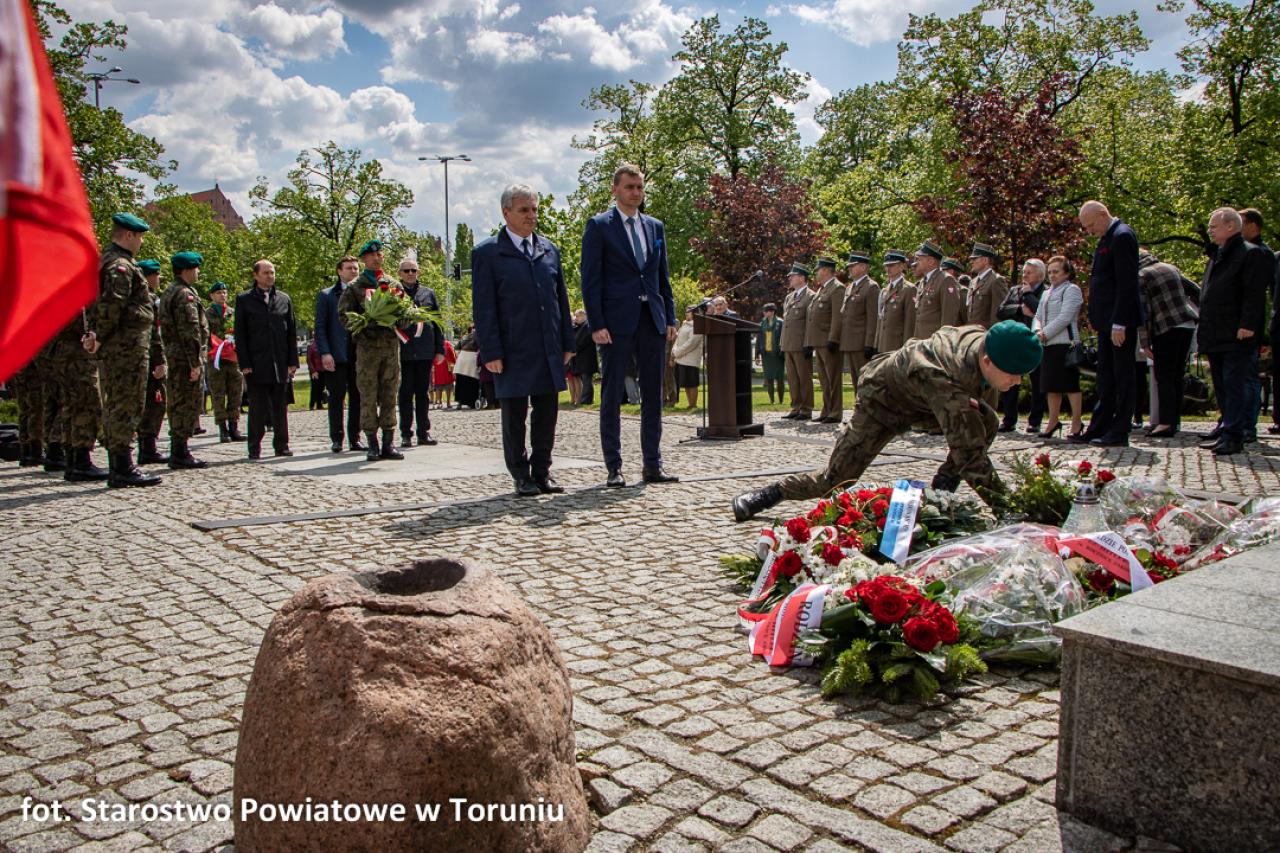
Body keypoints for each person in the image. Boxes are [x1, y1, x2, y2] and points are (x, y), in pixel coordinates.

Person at [732, 321, 1043, 521]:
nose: (1017, 381)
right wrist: (1011, 511)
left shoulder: (980, 342)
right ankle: (767, 495)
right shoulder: (945, 383)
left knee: (985, 421)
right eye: (1013, 373)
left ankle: (942, 490)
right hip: (879, 404)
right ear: (987, 361)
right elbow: (971, 457)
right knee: (836, 481)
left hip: (919, 402)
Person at [472, 184, 576, 496]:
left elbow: (562, 299)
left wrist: (567, 342)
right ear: (506, 213)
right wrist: (491, 350)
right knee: (515, 415)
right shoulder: (488, 253)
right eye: (524, 210)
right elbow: (484, 306)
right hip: (512, 347)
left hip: (547, 346)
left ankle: (542, 471)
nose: (531, 216)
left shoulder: (548, 249)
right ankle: (520, 474)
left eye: (534, 209)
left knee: (547, 413)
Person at [580, 163, 679, 487]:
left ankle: (653, 464)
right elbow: (591, 279)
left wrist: (670, 317)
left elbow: (661, 277)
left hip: (651, 319)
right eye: (629, 187)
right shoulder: (599, 226)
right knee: (611, 395)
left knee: (653, 394)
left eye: (639, 187)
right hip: (615, 323)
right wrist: (596, 323)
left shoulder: (654, 227)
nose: (636, 192)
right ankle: (614, 466)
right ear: (615, 189)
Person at [83, 212, 160, 487]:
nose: (140, 242)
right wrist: (100, 337)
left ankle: (120, 464)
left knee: (117, 402)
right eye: (139, 237)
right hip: (125, 347)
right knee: (126, 404)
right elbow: (112, 306)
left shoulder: (106, 261)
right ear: (128, 235)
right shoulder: (121, 266)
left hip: (120, 345)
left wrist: (96, 335)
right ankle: (123, 467)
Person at [1196, 208, 1270, 456]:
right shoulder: (1217, 254)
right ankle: (1226, 428)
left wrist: (1247, 324)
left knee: (1234, 383)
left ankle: (1234, 435)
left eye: (1214, 226)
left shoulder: (1251, 254)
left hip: (1236, 333)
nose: (1210, 230)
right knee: (1222, 385)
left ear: (1230, 226)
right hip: (1215, 332)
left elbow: (1254, 293)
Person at [1072, 201, 1142, 447]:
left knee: (1122, 376)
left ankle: (1120, 429)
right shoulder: (1107, 238)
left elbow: (1126, 283)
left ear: (1103, 214)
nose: (1089, 231)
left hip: (1118, 321)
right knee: (1106, 377)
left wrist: (1120, 322)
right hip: (1106, 321)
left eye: (1091, 225)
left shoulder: (1122, 236)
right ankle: (1099, 425)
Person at [339, 240, 404, 461]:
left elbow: (403, 312)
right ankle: (372, 443)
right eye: (372, 255)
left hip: (389, 347)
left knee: (389, 393)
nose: (377, 257)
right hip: (367, 349)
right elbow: (344, 316)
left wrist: (401, 319)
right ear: (364, 259)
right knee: (368, 395)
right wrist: (363, 324)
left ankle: (388, 442)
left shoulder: (394, 284)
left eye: (379, 254)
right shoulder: (355, 286)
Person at [236, 259, 299, 459]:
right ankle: (254, 446)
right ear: (256, 275)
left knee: (280, 406)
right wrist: (244, 363)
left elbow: (291, 331)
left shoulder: (283, 299)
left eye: (272, 272)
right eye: (266, 273)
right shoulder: (245, 299)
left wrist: (292, 361)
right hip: (257, 362)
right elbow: (241, 334)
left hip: (280, 361)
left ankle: (282, 444)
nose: (270, 276)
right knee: (257, 407)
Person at [1138, 249, 1199, 438]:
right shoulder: (1170, 267)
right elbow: (1196, 290)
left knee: (1164, 375)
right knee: (1177, 375)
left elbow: (1144, 313)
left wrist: (1145, 344)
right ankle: (1174, 420)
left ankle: (1165, 423)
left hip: (1166, 326)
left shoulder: (1141, 276)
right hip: (1187, 323)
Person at [158, 251, 210, 469]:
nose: (198, 272)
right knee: (186, 402)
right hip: (184, 358)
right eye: (196, 268)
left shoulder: (170, 290)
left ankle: (179, 449)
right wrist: (195, 362)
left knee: (178, 401)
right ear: (187, 269)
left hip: (175, 356)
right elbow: (190, 331)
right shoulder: (184, 294)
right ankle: (180, 451)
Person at [315, 256, 364, 453]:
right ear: (339, 271)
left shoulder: (363, 294)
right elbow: (320, 327)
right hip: (336, 354)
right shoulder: (327, 296)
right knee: (336, 398)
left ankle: (355, 438)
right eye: (349, 268)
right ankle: (337, 438)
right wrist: (325, 352)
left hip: (358, 354)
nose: (353, 271)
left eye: (356, 268)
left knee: (358, 397)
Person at [1032, 256, 1085, 439]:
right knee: (1050, 386)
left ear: (1067, 273)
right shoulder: (1047, 293)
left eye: (1056, 271)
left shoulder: (1072, 290)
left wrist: (1044, 333)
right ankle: (1053, 421)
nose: (1052, 275)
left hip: (1065, 343)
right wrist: (1037, 330)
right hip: (1048, 344)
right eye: (1050, 272)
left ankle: (1076, 423)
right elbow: (1037, 315)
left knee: (1070, 385)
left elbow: (1065, 317)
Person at [396, 256, 445, 448]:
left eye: (413, 270)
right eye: (406, 271)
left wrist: (439, 349)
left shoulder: (428, 294)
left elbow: (437, 322)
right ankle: (405, 433)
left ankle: (423, 432)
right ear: (400, 274)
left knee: (423, 393)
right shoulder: (394, 293)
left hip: (424, 350)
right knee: (406, 392)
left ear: (419, 272)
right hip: (404, 349)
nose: (410, 274)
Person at [996, 259, 1047, 433]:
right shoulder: (1014, 290)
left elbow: (1040, 311)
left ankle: (1035, 420)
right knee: (1011, 382)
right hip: (1015, 341)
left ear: (1040, 275)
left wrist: (1028, 295)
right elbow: (1001, 311)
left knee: (1037, 382)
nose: (1024, 275)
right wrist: (1019, 309)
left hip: (1035, 341)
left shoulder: (1046, 292)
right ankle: (1009, 419)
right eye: (1024, 272)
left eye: (1029, 273)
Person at [1240, 209, 1273, 439]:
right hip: (1241, 322)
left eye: (1240, 223)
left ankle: (1248, 425)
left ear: (1252, 225)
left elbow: (1256, 294)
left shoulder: (1260, 253)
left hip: (1251, 324)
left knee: (1249, 376)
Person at [135, 259, 169, 464]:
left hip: (143, 356)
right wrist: (160, 360)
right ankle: (147, 448)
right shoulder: (146, 299)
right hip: (147, 357)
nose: (158, 278)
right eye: (156, 275)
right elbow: (154, 334)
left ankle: (148, 447)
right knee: (153, 403)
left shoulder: (145, 298)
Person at [833, 250, 879, 394]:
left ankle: (867, 412)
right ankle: (859, 409)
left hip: (861, 342)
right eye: (849, 266)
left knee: (864, 381)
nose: (850, 269)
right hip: (849, 341)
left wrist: (869, 343)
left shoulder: (871, 287)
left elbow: (873, 318)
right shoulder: (850, 287)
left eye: (854, 265)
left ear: (864, 267)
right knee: (855, 381)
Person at [205, 281, 246, 442]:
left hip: (233, 358)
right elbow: (204, 334)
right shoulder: (207, 314)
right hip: (216, 360)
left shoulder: (232, 313)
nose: (222, 295)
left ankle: (234, 426)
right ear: (212, 296)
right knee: (218, 393)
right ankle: (222, 427)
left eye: (224, 293)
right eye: (218, 293)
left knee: (236, 392)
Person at [807, 257, 844, 423]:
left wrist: (833, 338)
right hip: (818, 341)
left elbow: (837, 316)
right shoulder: (822, 289)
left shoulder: (837, 289)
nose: (816, 273)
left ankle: (835, 412)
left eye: (818, 270)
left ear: (826, 270)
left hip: (828, 341)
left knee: (833, 379)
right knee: (823, 379)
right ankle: (826, 409)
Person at [911, 240, 966, 341]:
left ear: (931, 261)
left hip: (935, 343)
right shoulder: (923, 281)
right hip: (921, 341)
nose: (917, 262)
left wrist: (942, 342)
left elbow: (948, 317)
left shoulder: (945, 280)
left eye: (920, 259)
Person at [780, 264, 814, 420]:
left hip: (801, 344)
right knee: (792, 378)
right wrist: (782, 343)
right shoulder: (789, 297)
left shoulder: (810, 296)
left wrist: (809, 343)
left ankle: (806, 409)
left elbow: (810, 322)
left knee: (804, 377)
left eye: (792, 276)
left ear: (802, 277)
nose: (790, 279)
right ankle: (796, 406)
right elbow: (786, 323)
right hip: (789, 344)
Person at [875, 250, 916, 354]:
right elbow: (881, 318)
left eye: (892, 265)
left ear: (902, 266)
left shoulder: (908, 289)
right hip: (883, 344)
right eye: (886, 265)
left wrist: (907, 347)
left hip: (898, 345)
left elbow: (909, 321)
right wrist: (876, 343)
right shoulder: (885, 290)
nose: (888, 268)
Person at [966, 242, 1010, 330]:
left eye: (975, 259)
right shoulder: (973, 282)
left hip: (985, 334)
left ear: (985, 260)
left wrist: (994, 336)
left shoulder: (996, 280)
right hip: (972, 334)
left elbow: (998, 314)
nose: (972, 262)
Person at [671, 306, 702, 409]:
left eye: (688, 311)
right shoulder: (684, 324)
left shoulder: (697, 326)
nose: (686, 313)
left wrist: (677, 352)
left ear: (695, 313)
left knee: (692, 383)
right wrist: (674, 350)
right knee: (686, 384)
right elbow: (678, 339)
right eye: (686, 311)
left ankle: (693, 404)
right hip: (681, 358)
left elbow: (691, 343)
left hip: (691, 360)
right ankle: (690, 404)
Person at [756, 302, 785, 405]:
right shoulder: (762, 323)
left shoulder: (780, 323)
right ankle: (771, 400)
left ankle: (781, 400)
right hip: (766, 355)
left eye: (767, 311)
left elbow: (784, 337)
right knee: (768, 378)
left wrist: (783, 350)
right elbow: (759, 339)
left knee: (780, 378)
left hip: (777, 354)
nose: (765, 313)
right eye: (764, 311)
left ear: (773, 312)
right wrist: (757, 354)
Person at [569, 309, 599, 406]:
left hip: (587, 357)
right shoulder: (579, 327)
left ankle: (587, 399)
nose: (575, 318)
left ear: (583, 316)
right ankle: (582, 398)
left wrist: (575, 349)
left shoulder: (587, 326)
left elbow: (583, 340)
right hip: (580, 358)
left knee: (586, 379)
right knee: (583, 378)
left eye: (577, 316)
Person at [433, 338, 456, 409]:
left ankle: (440, 402)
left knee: (438, 385)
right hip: (446, 366)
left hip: (438, 366)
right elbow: (452, 355)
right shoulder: (448, 344)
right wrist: (454, 362)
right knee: (448, 385)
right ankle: (448, 402)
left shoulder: (435, 345)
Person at [306, 341, 327, 410]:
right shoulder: (311, 346)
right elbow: (309, 360)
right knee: (315, 388)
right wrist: (313, 371)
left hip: (323, 370)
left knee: (321, 387)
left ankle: (319, 404)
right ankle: (311, 405)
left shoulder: (323, 344)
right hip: (315, 371)